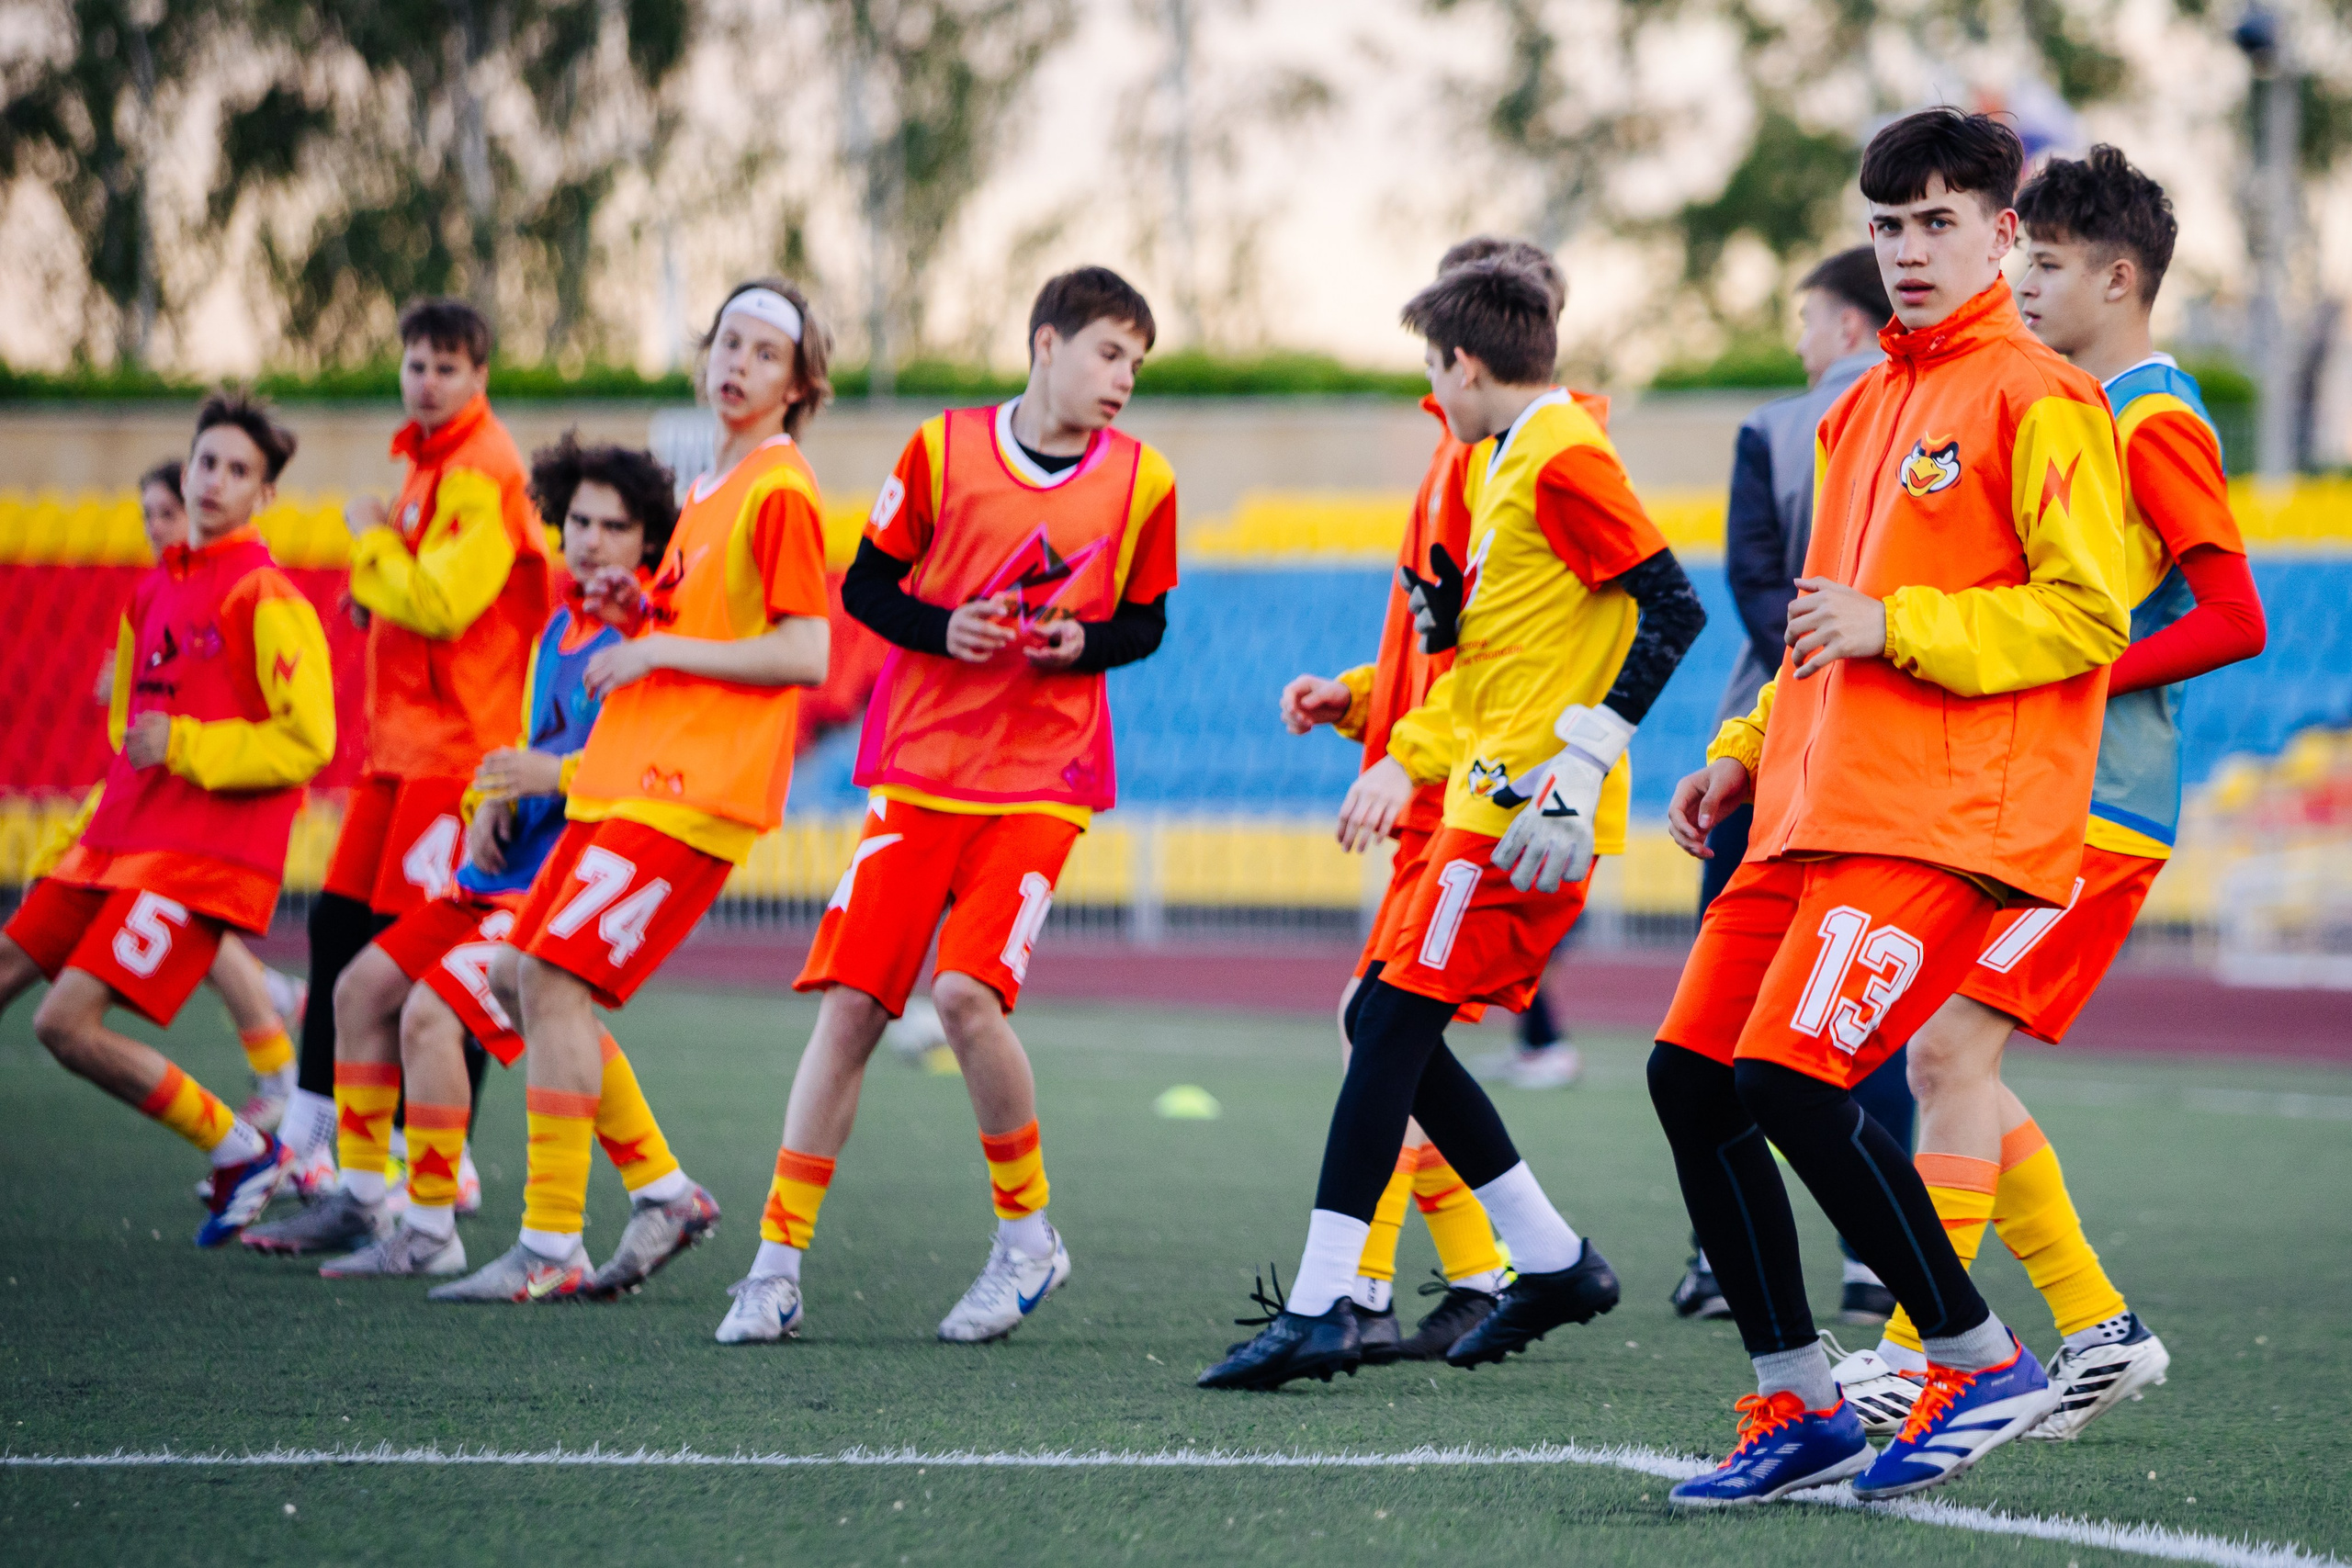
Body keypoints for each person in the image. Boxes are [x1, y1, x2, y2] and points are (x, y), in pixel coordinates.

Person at [1650, 107, 2131, 1506]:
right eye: (1887, 225)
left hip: (1944, 817)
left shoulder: (2045, 396)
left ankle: (1980, 1362)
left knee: (1790, 1078)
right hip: (1806, 808)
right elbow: (1819, 618)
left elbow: (2085, 612)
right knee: (1691, 1078)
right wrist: (1745, 744)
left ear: (2000, 232)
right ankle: (1800, 1406)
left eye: (1937, 223)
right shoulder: (1856, 407)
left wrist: (1899, 625)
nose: (1908, 250)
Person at [1201, 258, 1706, 1391]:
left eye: (1434, 373)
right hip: (1485, 793)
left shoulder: (1560, 454)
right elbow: (1496, 670)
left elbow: (1675, 606)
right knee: (1386, 1020)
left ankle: (1328, 1305)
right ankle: (1550, 1262)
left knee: (1385, 1025)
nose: (1434, 396)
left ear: (1463, 365)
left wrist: (1580, 767)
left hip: (1520, 813)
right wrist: (1394, 715)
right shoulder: (1515, 457)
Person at [1833, 143, 2266, 1443]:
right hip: (2041, 795)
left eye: (2050, 264)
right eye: (2021, 258)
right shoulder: (2072, 401)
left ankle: (1919, 1353)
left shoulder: (2149, 416)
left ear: (2120, 279)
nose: (2020, 283)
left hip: (2104, 804)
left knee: (1943, 1052)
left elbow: (2235, 615)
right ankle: (2095, 1326)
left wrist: (2072, 673)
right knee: (1950, 1056)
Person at [715, 265, 1180, 1348]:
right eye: (1109, 353)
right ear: (1047, 343)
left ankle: (1027, 1240)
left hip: (1044, 779)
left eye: (1136, 363)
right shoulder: (939, 449)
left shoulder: (1144, 479)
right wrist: (944, 628)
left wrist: (1084, 643)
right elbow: (867, 590)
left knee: (966, 997)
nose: (1123, 378)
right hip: (920, 768)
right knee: (851, 1010)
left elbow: (1147, 623)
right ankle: (774, 1267)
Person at [429, 278, 833, 1303]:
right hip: (627, 779)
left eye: (766, 354)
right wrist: (638, 610)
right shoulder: (707, 492)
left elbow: (805, 652)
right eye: (728, 343)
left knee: (549, 981)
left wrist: (654, 650)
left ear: (798, 386)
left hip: (688, 790)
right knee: (521, 974)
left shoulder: (780, 489)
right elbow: (701, 627)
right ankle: (661, 1192)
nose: (738, 364)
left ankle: (550, 1243)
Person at [243, 436, 712, 1288]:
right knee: (358, 990)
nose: (592, 540)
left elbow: (653, 768)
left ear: (651, 539)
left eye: (614, 526)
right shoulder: (559, 629)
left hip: (559, 881)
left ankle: (431, 1227)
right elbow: (526, 749)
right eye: (579, 521)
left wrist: (550, 777)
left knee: (433, 1015)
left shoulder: (651, 635)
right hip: (496, 874)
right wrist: (488, 801)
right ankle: (363, 1197)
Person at [1277, 236, 1561, 1361]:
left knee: (1384, 1030)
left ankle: (1371, 1287)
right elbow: (1440, 649)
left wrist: (1410, 756)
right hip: (1436, 780)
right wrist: (1358, 699)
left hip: (1465, 794)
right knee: (1388, 1033)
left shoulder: (1512, 464)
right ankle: (1495, 1264)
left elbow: (1501, 665)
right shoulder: (1469, 457)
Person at [6, 390, 335, 1247]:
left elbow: (310, 739)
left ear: (264, 494)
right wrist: (81, 838)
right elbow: (130, 742)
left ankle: (244, 1147)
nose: (214, 480)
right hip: (111, 849)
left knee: (61, 1025)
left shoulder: (266, 595)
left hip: (195, 861)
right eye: (205, 462)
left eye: (237, 469)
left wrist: (186, 742)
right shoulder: (151, 590)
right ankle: (255, 1139)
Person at [1669, 248, 1915, 1329]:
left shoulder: (1776, 426)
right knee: (1866, 1009)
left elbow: (1755, 583)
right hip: (1883, 740)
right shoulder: (1928, 410)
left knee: (1720, 1013)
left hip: (1779, 742)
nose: (1803, 339)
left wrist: (1820, 664)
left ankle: (1717, 1260)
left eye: (1809, 317)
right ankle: (1870, 1263)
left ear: (1851, 323)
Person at [279, 299, 551, 1200]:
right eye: (415, 363)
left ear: (481, 376)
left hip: (457, 748)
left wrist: (370, 539)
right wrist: (378, 590)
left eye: (446, 366)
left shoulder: (481, 468)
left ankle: (441, 1157)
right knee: (336, 926)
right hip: (399, 746)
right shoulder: (429, 463)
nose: (426, 381)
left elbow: (442, 602)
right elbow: (421, 595)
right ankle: (311, 1135)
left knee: (426, 951)